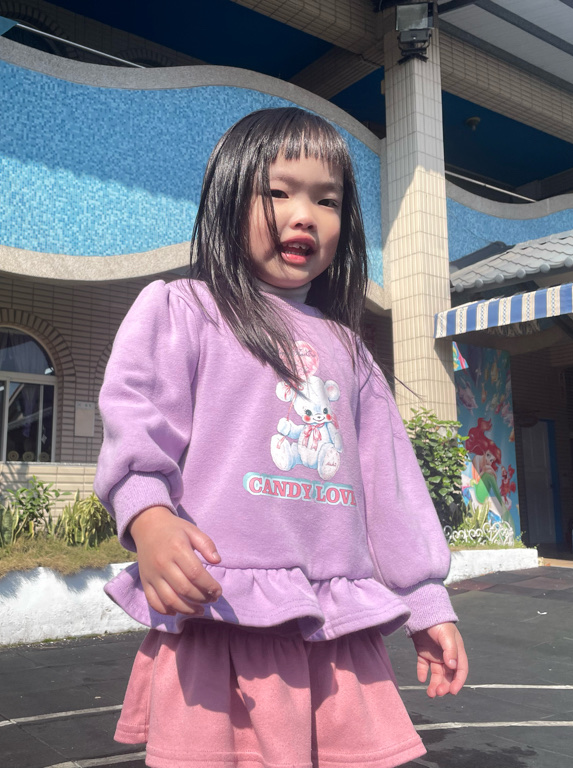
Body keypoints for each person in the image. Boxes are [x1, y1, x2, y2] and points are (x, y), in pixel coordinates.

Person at [95, 107, 468, 768]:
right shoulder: (187, 310)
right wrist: (149, 519)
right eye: (278, 192)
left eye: (328, 200)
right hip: (222, 615)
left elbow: (391, 486)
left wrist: (424, 600)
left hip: (337, 631)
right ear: (228, 200)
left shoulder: (350, 352)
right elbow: (136, 419)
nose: (305, 216)